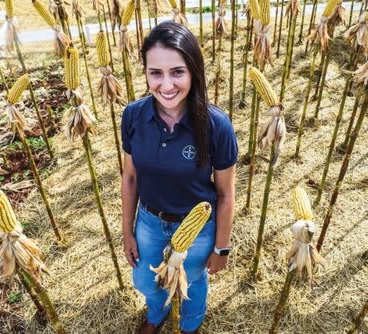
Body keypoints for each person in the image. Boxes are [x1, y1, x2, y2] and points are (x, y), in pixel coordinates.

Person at [121, 21, 238, 334]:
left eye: (177, 72)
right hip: (149, 221)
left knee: (193, 282)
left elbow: (226, 194)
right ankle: (156, 314)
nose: (166, 85)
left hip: (198, 229)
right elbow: (130, 178)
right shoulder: (133, 115)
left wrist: (221, 248)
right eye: (155, 73)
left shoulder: (216, 125)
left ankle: (189, 324)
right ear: (145, 73)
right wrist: (127, 231)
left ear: (193, 72)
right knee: (146, 280)